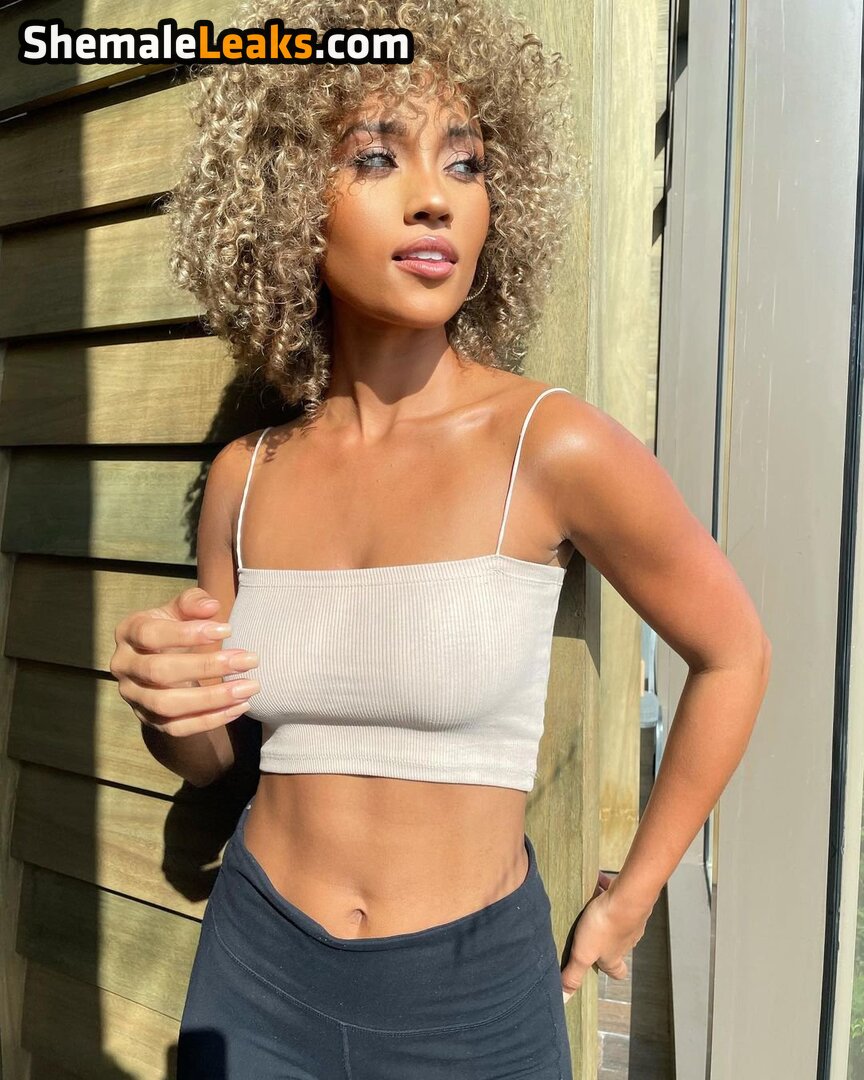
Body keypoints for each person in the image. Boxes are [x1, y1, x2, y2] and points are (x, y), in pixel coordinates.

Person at [109, 0, 772, 1076]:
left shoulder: (551, 444)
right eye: (377, 156)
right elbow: (212, 760)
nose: (435, 197)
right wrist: (167, 710)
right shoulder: (245, 477)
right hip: (255, 969)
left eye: (464, 164)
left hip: (472, 1000)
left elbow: (735, 653)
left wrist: (637, 892)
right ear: (286, 204)